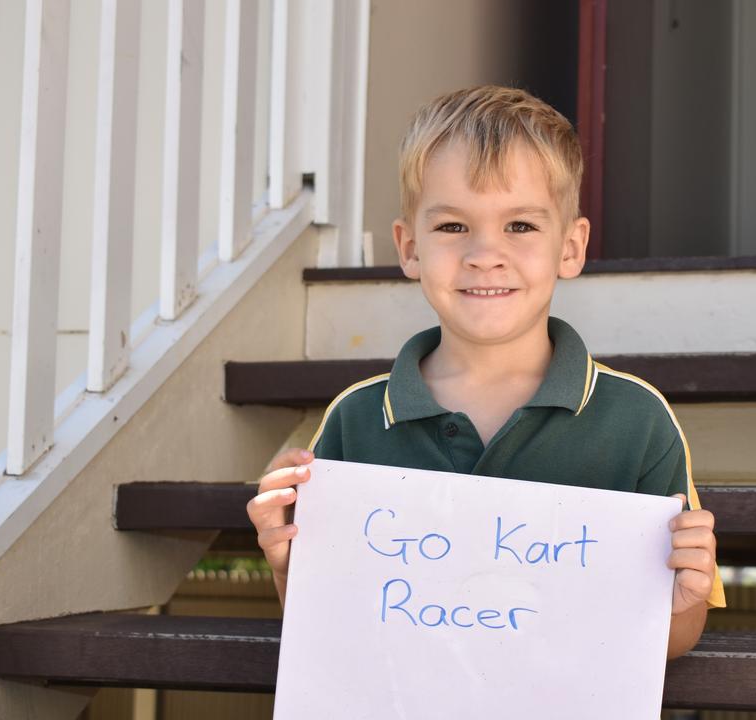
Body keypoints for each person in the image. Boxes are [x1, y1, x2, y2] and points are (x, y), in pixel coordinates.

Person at [246, 85, 725, 659]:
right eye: (452, 227)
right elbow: (326, 626)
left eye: (520, 226)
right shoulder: (357, 419)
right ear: (409, 247)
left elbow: (671, 641)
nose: (484, 253)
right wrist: (286, 563)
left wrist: (681, 600)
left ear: (571, 247)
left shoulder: (637, 421)